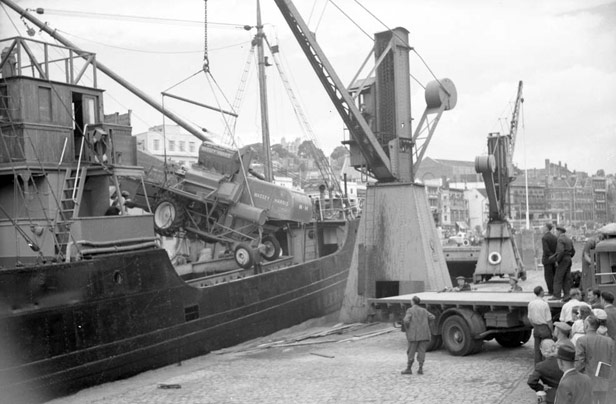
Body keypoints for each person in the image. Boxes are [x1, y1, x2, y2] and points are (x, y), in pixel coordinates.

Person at [575, 315, 615, 404]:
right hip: (605, 381)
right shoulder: (609, 341)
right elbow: (613, 361)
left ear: (586, 326)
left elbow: (580, 362)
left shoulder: (581, 340)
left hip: (588, 381)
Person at [401, 296, 435, 375]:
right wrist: (426, 325)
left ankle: (409, 368)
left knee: (411, 352)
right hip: (424, 334)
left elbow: (406, 320)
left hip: (414, 335)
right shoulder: (424, 310)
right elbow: (432, 317)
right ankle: (420, 368)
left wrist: (408, 328)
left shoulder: (410, 310)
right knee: (422, 351)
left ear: (413, 302)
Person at [527, 339, 563, 404]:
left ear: (543, 351)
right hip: (568, 393)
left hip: (551, 395)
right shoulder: (564, 362)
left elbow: (531, 381)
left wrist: (542, 387)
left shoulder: (541, 366)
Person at [528, 286, 554, 364]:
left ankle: (538, 365)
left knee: (537, 349)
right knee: (547, 348)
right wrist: (551, 331)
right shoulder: (544, 304)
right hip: (544, 327)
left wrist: (534, 325)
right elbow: (549, 320)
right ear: (541, 292)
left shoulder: (531, 303)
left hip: (536, 327)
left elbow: (529, 318)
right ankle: (547, 364)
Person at [549, 225, 575, 301]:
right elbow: (573, 251)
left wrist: (557, 260)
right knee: (566, 278)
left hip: (562, 259)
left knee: (558, 277)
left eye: (557, 231)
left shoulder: (560, 239)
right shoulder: (568, 239)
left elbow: (560, 251)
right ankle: (567, 295)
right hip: (568, 259)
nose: (556, 233)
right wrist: (569, 257)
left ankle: (557, 295)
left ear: (559, 232)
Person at [542, 223, 558, 296]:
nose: (542, 228)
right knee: (554, 276)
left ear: (547, 228)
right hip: (554, 260)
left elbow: (546, 250)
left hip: (548, 260)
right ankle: (555, 290)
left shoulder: (544, 238)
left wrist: (550, 256)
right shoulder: (555, 237)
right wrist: (554, 258)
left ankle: (550, 291)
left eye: (544, 227)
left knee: (548, 276)